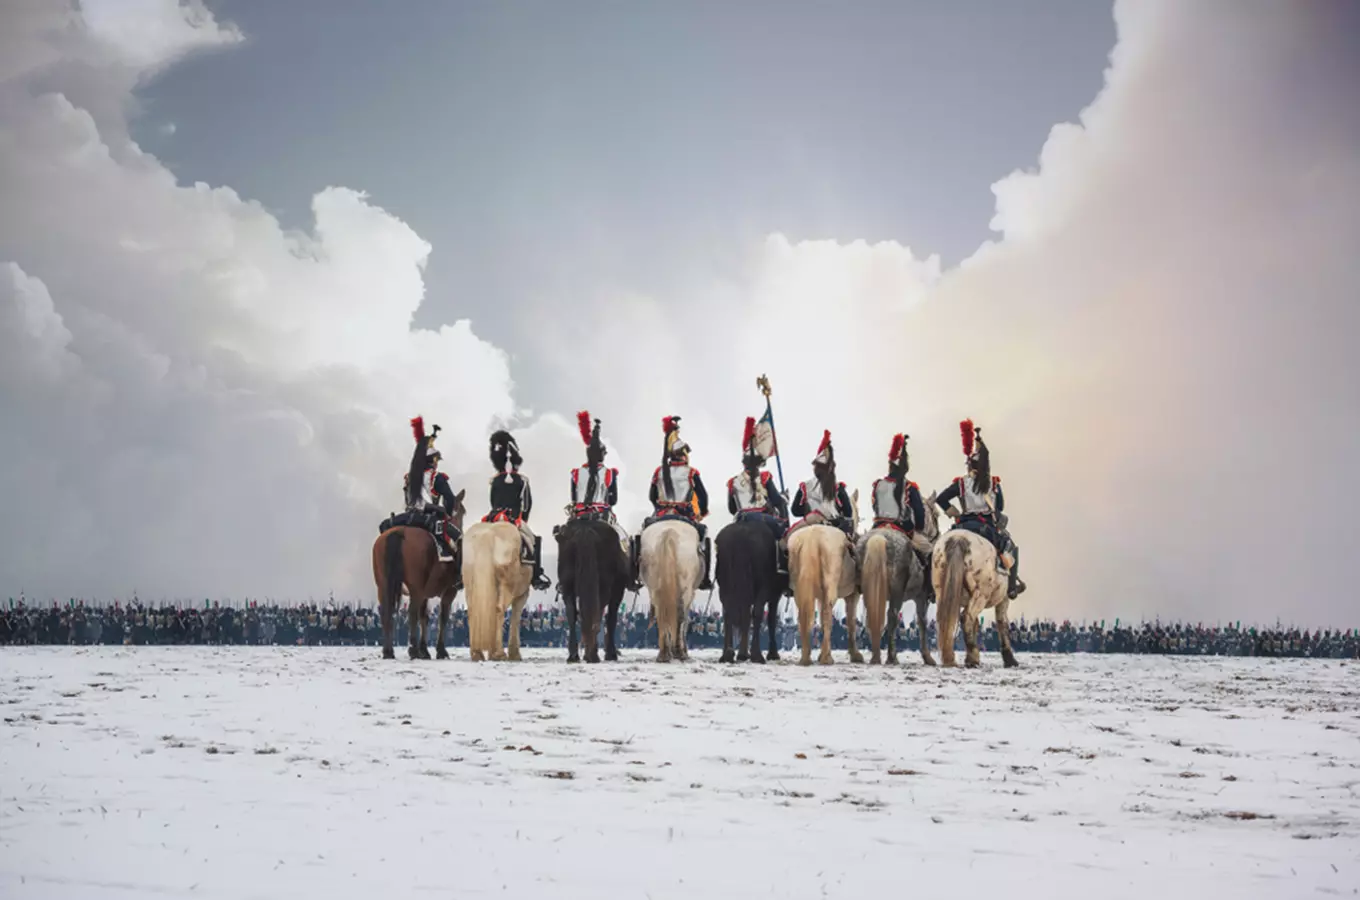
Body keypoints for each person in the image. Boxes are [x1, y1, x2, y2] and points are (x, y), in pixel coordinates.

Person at [935, 419, 1025, 598]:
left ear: (969, 465)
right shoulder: (993, 483)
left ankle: (933, 585)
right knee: (1011, 547)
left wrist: (955, 514)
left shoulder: (961, 483)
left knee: (940, 548)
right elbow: (1000, 506)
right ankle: (1011, 588)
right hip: (986, 528)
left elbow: (941, 499)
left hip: (964, 525)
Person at [567, 410, 642, 591]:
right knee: (628, 542)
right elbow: (613, 499)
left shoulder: (576, 473)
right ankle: (632, 578)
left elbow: (573, 497)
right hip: (602, 515)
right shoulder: (609, 473)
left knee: (564, 540)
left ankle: (564, 581)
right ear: (601, 454)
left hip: (579, 515)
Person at [644, 415, 713, 591]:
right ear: (683, 454)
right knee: (704, 539)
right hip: (685, 515)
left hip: (660, 514)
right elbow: (703, 496)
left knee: (641, 537)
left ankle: (636, 572)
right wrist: (701, 512)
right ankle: (705, 578)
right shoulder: (691, 472)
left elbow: (652, 495)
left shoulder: (659, 471)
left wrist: (660, 508)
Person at [485, 429, 552, 591]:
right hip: (514, 518)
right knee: (534, 541)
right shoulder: (522, 480)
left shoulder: (495, 481)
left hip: (493, 517)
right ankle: (536, 576)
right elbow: (527, 504)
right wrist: (522, 519)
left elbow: (492, 501)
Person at [870, 433, 934, 601]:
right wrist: (917, 528)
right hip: (902, 530)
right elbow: (919, 514)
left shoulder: (878, 485)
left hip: (878, 528)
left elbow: (875, 507)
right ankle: (930, 589)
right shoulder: (910, 487)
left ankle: (860, 584)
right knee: (930, 551)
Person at [726, 415, 790, 572]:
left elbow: (732, 508)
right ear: (760, 463)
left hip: (740, 518)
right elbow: (776, 501)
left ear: (743, 462)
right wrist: (784, 499)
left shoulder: (733, 481)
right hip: (762, 518)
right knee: (783, 533)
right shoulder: (764, 477)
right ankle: (782, 566)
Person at [404, 416, 460, 563]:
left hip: (409, 515)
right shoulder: (437, 477)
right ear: (434, 461)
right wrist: (447, 513)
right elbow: (449, 498)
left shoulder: (410, 477)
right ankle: (459, 577)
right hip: (429, 515)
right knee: (460, 539)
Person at [790, 430, 855, 537]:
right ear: (832, 467)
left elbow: (795, 511)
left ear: (816, 467)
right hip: (834, 526)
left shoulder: (805, 487)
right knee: (851, 548)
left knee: (786, 544)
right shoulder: (838, 488)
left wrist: (808, 512)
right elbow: (848, 511)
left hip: (809, 524)